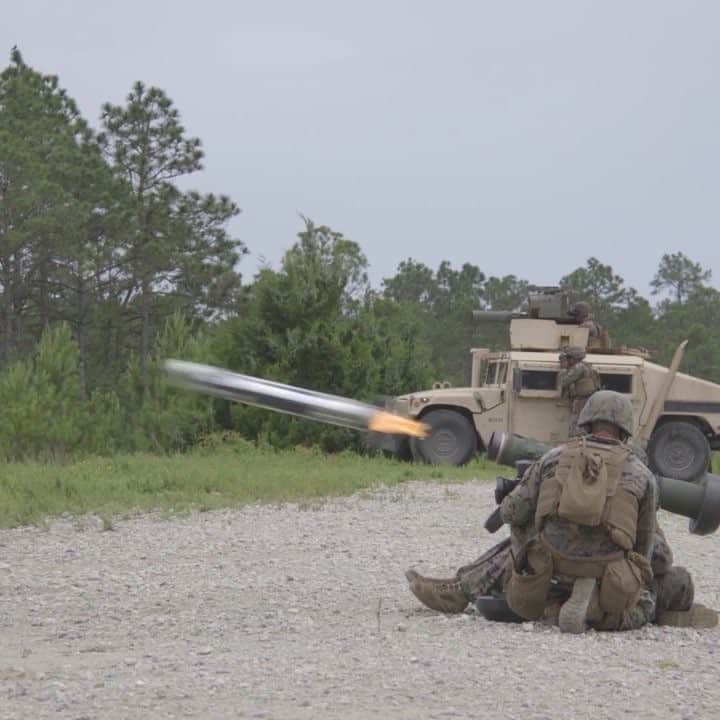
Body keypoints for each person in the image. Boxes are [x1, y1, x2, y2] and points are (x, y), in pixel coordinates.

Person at [406, 391, 717, 631]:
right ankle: (594, 609)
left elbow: (514, 513)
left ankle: (461, 591)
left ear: (586, 421)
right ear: (625, 430)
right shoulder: (642, 475)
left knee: (516, 546)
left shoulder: (554, 458)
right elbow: (652, 553)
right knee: (673, 582)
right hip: (610, 581)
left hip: (548, 574)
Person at [559, 346, 601, 437]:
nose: (567, 360)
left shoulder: (579, 367)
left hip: (582, 401)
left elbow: (564, 381)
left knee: (576, 427)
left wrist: (563, 368)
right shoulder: (587, 366)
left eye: (569, 358)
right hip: (589, 400)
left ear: (574, 358)